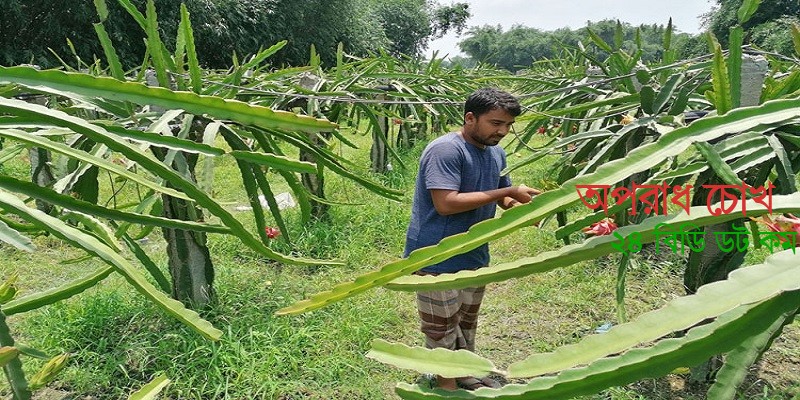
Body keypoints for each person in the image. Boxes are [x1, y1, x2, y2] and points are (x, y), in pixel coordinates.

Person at [403, 87, 540, 390]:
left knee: (465, 322)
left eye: (508, 125)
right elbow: (446, 203)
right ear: (469, 118)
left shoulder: (496, 152)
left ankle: (464, 374)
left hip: (474, 253)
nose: (502, 131)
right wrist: (506, 192)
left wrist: (527, 209)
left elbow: (503, 199)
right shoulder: (446, 150)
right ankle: (446, 387)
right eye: (495, 123)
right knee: (441, 328)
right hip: (435, 255)